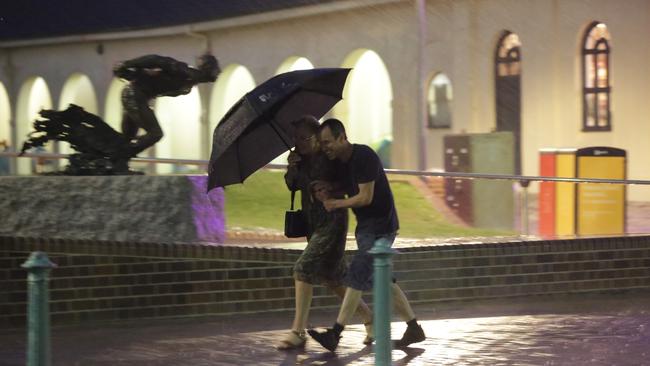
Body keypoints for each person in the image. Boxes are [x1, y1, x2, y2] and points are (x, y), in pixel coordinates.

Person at [308, 118, 426, 352]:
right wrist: (326, 191)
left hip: (382, 225)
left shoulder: (364, 157)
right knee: (383, 280)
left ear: (342, 137)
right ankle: (414, 328)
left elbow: (365, 197)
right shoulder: (340, 163)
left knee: (357, 274)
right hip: (365, 227)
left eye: (329, 142)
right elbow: (347, 188)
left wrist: (335, 204)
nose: (326, 147)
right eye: (322, 143)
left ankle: (335, 333)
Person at [276, 116, 374, 350]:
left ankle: (298, 331)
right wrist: (291, 167)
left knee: (303, 268)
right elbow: (292, 185)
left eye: (304, 138)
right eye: (296, 138)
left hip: (333, 221)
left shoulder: (330, 159)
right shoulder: (301, 160)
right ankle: (372, 320)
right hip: (313, 223)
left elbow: (349, 184)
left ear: (317, 138)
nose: (298, 142)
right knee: (335, 280)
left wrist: (329, 188)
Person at [113, 53, 220, 161]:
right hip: (134, 95)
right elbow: (156, 60)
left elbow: (154, 76)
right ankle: (121, 157)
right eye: (215, 70)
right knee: (155, 133)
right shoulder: (183, 71)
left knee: (127, 139)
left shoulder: (187, 85)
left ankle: (119, 157)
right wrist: (128, 64)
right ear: (208, 69)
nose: (218, 73)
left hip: (136, 96)